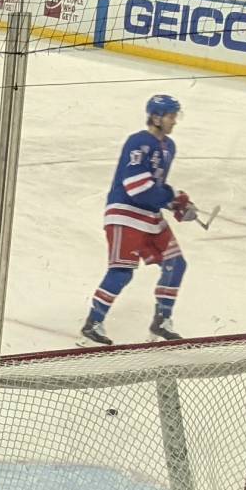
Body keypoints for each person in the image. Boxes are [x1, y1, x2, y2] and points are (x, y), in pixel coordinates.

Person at [80, 93, 195, 345]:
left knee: (176, 264)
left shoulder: (169, 146)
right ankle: (93, 323)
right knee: (122, 271)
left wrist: (176, 204)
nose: (175, 121)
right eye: (171, 116)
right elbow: (137, 187)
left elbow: (154, 187)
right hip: (125, 214)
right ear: (156, 117)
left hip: (149, 216)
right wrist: (173, 198)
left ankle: (162, 319)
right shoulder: (138, 142)